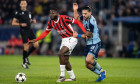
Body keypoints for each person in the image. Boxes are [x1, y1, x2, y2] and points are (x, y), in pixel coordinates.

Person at [29, 8, 88, 82]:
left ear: (57, 13)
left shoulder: (64, 18)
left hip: (71, 38)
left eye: (53, 13)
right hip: (64, 40)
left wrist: (85, 31)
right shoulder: (50, 22)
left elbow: (77, 22)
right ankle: (72, 77)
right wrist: (36, 39)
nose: (51, 14)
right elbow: (46, 32)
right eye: (50, 13)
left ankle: (62, 76)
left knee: (60, 53)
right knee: (65, 60)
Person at [73, 3, 106, 82]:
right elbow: (77, 19)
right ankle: (100, 75)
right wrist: (75, 10)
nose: (83, 15)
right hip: (89, 43)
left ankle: (102, 71)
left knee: (88, 60)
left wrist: (78, 35)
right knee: (87, 65)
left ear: (90, 13)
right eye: (83, 13)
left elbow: (89, 35)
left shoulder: (91, 22)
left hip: (95, 42)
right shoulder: (85, 18)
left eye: (85, 14)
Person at [12, 0, 39, 69]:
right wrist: (20, 24)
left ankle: (26, 56)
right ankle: (24, 63)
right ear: (20, 5)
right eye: (22, 4)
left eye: (24, 3)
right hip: (23, 31)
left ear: (26, 4)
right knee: (26, 46)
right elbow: (13, 23)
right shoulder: (18, 13)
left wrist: (32, 21)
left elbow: (29, 20)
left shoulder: (28, 12)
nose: (23, 4)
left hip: (30, 30)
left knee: (36, 44)